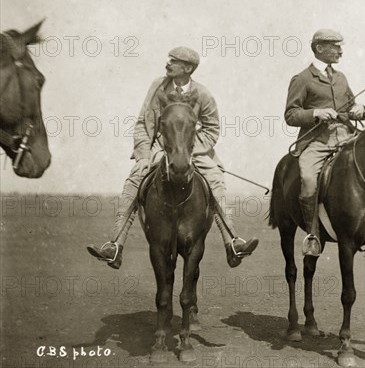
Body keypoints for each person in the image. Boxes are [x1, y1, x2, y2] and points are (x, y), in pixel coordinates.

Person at [87, 46, 258, 269]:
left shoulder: (203, 94)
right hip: (160, 147)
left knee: (215, 180)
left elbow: (212, 130)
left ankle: (233, 243)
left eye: (174, 61)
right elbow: (143, 124)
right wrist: (143, 156)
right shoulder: (157, 87)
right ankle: (115, 245)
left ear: (187, 68)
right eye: (169, 59)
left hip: (193, 150)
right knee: (134, 180)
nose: (168, 64)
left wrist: (186, 150)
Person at [285, 29, 365, 256]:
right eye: (336, 46)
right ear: (320, 48)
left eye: (340, 46)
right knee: (308, 181)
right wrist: (315, 113)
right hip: (317, 141)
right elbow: (291, 115)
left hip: (347, 136)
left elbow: (351, 105)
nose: (340, 50)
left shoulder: (341, 78)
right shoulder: (302, 79)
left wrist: (359, 110)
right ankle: (313, 235)